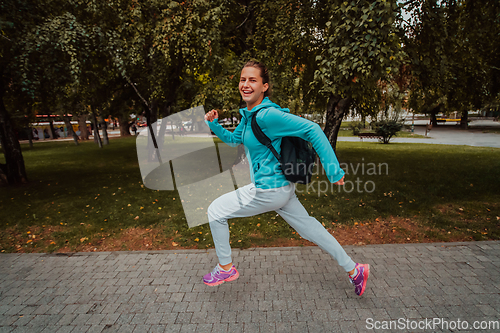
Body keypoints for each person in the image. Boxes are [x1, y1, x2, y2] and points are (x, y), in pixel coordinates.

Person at [203, 60, 370, 296]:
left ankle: (225, 267)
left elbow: (312, 129)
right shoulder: (249, 116)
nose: (246, 84)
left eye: (253, 80)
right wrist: (214, 124)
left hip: (268, 190)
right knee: (312, 230)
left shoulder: (267, 116)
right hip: (282, 190)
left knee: (215, 211)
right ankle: (355, 270)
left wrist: (333, 171)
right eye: (243, 79)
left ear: (264, 86)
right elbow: (234, 140)